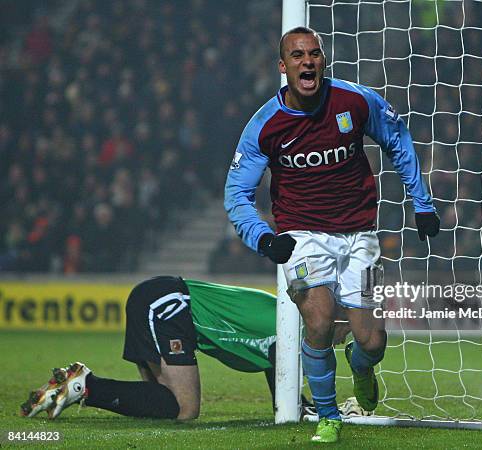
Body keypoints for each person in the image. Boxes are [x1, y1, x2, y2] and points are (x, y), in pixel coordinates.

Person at [224, 27, 439, 443]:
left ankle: (361, 366)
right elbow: (237, 193)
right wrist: (264, 238)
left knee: (372, 341)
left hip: (361, 235)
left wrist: (423, 203)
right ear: (283, 67)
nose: (308, 62)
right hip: (301, 236)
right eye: (298, 55)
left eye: (315, 54)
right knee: (319, 321)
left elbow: (398, 139)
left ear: (323, 60)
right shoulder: (265, 126)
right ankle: (327, 414)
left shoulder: (355, 101)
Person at [21, 276, 340, 420]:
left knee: (161, 405)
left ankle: (82, 386)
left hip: (161, 302)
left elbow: (278, 378)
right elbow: (281, 385)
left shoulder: (285, 316)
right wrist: (318, 409)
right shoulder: (291, 325)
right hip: (169, 306)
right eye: (344, 329)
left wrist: (302, 407)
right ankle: (85, 384)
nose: (341, 339)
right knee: (184, 409)